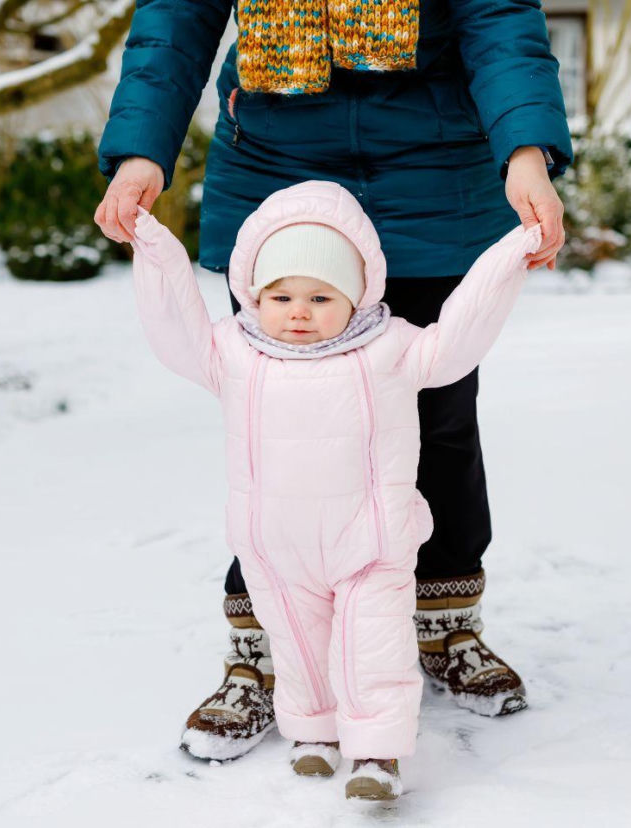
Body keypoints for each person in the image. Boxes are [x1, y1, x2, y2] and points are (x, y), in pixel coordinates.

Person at [95, 0, 572, 760]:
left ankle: (444, 623)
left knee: (439, 418)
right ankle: (264, 651)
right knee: (278, 428)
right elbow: (176, 20)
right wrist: (143, 148)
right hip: (276, 166)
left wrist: (525, 151)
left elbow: (497, 18)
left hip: (435, 167)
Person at [130, 179, 543, 800]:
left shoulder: (390, 348)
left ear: (356, 297)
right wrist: (152, 244)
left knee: (374, 647)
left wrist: (514, 252)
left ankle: (377, 754)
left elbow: (459, 337)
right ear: (254, 294)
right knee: (297, 648)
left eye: (322, 296)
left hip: (369, 543)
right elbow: (173, 326)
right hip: (277, 546)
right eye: (282, 295)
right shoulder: (233, 352)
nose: (299, 311)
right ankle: (314, 733)